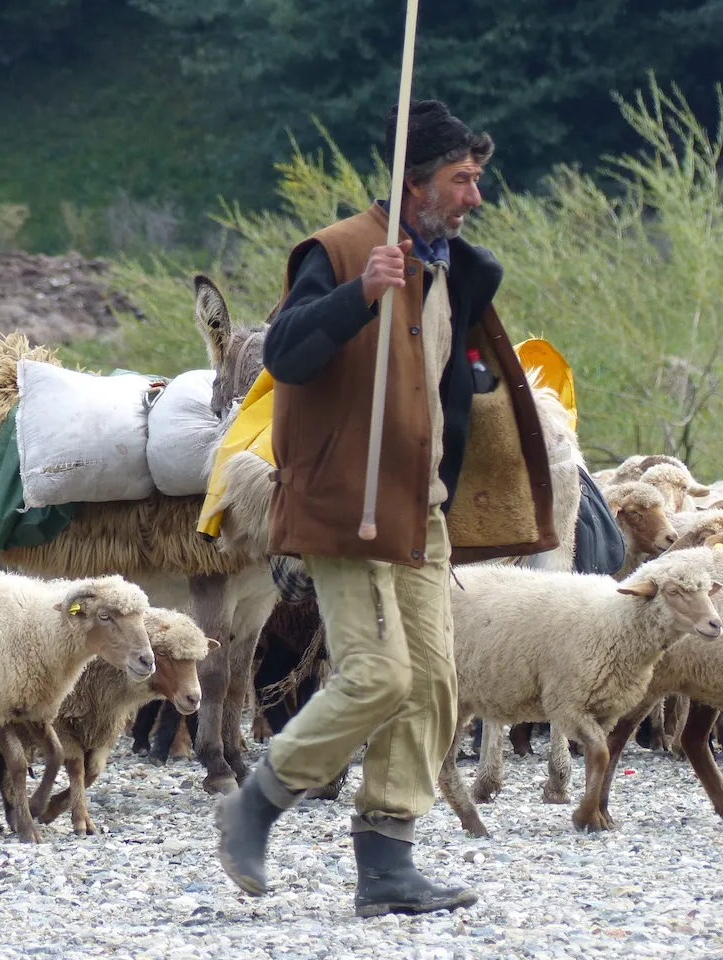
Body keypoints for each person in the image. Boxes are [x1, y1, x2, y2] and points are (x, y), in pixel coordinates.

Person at [215, 99, 557, 918]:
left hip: (420, 507)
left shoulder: (455, 270)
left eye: (477, 179)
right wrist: (359, 295)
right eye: (461, 179)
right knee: (377, 674)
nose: (475, 195)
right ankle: (255, 804)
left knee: (435, 680)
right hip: (346, 504)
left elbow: (441, 386)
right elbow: (287, 356)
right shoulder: (338, 253)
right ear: (414, 184)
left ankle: (388, 862)